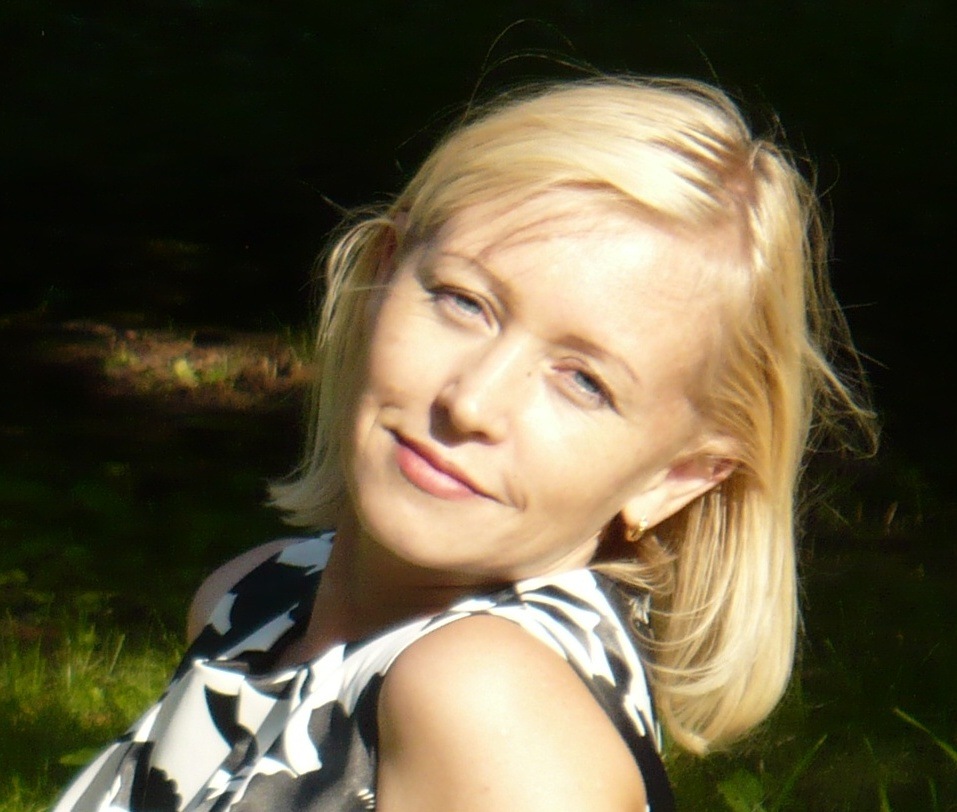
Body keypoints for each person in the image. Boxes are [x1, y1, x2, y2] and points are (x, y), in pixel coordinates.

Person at [54, 76, 873, 811]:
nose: (472, 401)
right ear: (379, 278)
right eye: (463, 302)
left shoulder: (484, 704)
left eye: (584, 382)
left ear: (676, 475)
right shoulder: (255, 600)